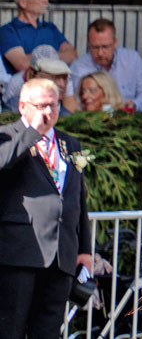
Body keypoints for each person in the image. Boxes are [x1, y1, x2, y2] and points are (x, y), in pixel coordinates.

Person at [0, 77, 90, 339]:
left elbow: (78, 199)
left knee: (48, 331)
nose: (49, 112)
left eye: (54, 105)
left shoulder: (71, 145)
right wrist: (32, 134)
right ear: (22, 106)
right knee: (10, 329)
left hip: (61, 255)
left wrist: (85, 250)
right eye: (41, 106)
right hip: (20, 253)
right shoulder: (8, 135)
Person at [67, 20, 142, 113]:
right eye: (95, 47)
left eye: (105, 47)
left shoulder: (132, 59)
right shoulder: (78, 67)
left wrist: (135, 105)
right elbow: (77, 102)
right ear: (88, 44)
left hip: (131, 118)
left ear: (115, 42)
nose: (100, 53)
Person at [0, 0, 71, 82]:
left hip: (58, 87)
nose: (46, 0)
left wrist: (34, 58)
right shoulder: (8, 31)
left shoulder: (50, 28)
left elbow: (72, 55)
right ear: (23, 2)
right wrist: (56, 57)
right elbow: (22, 64)